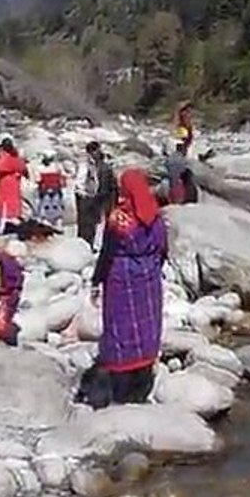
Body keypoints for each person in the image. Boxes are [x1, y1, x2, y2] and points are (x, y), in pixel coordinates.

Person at [88, 169, 167, 406]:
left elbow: (107, 253)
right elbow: (164, 249)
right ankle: (142, 375)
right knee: (146, 324)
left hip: (122, 279)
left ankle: (121, 381)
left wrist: (96, 281)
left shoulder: (118, 219)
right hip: (149, 278)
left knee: (120, 324)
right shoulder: (156, 217)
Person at [74, 141, 116, 249]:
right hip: (86, 196)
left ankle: (91, 244)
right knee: (86, 223)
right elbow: (81, 181)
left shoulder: (103, 165)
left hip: (99, 196)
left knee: (95, 223)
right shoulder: (85, 164)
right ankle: (85, 245)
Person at [0, 137, 27, 235]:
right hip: (14, 185)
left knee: (5, 208)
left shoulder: (6, 160)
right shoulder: (17, 160)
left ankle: (4, 229)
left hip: (6, 186)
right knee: (13, 206)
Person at [36, 152, 66, 228]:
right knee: (55, 204)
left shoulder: (40, 168)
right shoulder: (57, 167)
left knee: (45, 204)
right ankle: (57, 220)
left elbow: (38, 180)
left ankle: (46, 219)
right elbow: (62, 178)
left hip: (46, 190)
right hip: (55, 189)